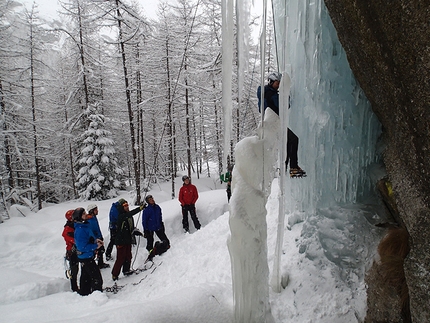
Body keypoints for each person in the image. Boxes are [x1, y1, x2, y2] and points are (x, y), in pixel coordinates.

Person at [257, 72, 306, 177]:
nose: (278, 85)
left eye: (279, 83)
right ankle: (292, 167)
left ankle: (286, 166)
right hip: (273, 123)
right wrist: (286, 96)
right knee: (293, 139)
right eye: (277, 83)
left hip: (270, 123)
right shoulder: (271, 94)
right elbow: (284, 106)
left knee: (288, 141)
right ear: (271, 82)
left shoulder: (264, 93)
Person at [111, 198, 145, 281]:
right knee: (120, 258)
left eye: (127, 205)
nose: (126, 207)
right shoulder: (121, 216)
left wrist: (135, 231)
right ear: (121, 207)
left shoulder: (128, 216)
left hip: (127, 239)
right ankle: (114, 274)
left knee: (128, 256)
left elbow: (130, 226)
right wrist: (140, 208)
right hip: (120, 240)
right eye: (124, 205)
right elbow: (130, 214)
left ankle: (126, 270)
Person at [73, 207, 103, 296]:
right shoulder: (80, 229)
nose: (86, 214)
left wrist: (95, 241)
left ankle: (84, 292)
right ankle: (97, 295)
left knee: (86, 277)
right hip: (86, 257)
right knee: (96, 278)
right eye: (83, 214)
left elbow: (88, 238)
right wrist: (95, 246)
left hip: (87, 256)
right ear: (79, 217)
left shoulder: (84, 226)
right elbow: (82, 247)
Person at [142, 195, 170, 259]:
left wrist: (161, 224)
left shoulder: (157, 207)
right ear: (148, 201)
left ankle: (162, 250)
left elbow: (160, 216)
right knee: (150, 243)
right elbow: (144, 220)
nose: (152, 200)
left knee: (165, 240)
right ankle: (151, 254)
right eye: (150, 199)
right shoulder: (146, 210)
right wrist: (145, 230)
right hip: (149, 229)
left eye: (152, 198)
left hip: (158, 227)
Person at [87, 204, 110, 269]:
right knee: (94, 252)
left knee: (101, 251)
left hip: (98, 237)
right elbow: (91, 231)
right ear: (91, 211)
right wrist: (96, 239)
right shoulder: (89, 220)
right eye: (95, 210)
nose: (97, 211)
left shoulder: (93, 218)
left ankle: (100, 263)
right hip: (95, 239)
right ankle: (91, 266)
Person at [62, 209, 79, 292]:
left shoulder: (74, 225)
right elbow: (73, 240)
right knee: (74, 270)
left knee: (78, 268)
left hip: (77, 249)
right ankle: (74, 287)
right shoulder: (68, 229)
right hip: (72, 251)